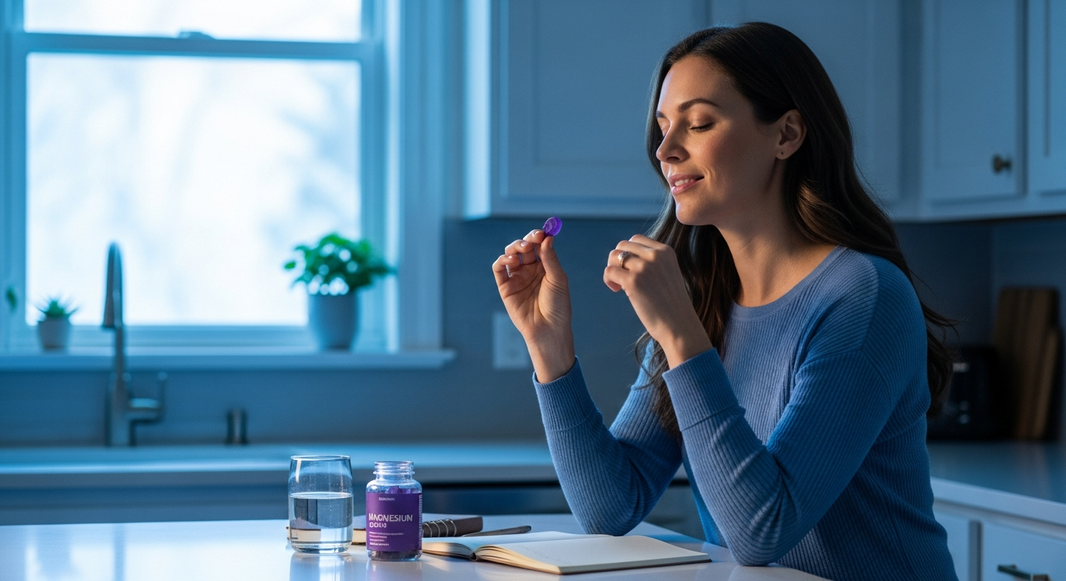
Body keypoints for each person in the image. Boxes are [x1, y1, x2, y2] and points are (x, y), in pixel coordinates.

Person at [491, 22, 958, 581]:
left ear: (786, 134)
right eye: (663, 127)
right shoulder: (704, 295)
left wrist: (684, 338)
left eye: (699, 123)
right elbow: (610, 506)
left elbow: (764, 529)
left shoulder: (862, 297)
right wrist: (550, 350)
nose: (664, 150)